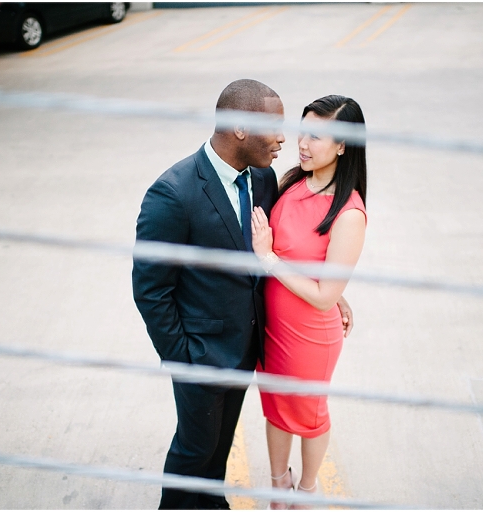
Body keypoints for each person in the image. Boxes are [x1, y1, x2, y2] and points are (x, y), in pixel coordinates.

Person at [132, 80, 354, 510]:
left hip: (246, 351)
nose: (283, 139)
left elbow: (275, 251)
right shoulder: (173, 193)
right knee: (193, 455)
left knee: (216, 452)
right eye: (273, 126)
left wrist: (333, 291)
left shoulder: (264, 179)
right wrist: (184, 357)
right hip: (201, 358)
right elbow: (151, 290)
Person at [250, 95, 368, 510]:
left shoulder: (348, 212)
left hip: (308, 336)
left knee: (309, 414)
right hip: (272, 326)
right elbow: (312, 263)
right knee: (276, 408)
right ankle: (278, 485)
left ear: (342, 145)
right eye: (303, 132)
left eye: (317, 136)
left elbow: (323, 296)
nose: (303, 143)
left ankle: (307, 492)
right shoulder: (293, 182)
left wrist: (268, 259)